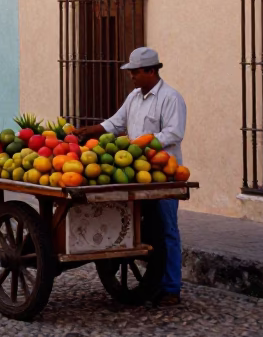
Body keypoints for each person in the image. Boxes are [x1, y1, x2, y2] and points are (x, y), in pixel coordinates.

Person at [73, 46, 187, 307]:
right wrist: (88, 130)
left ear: (150, 70)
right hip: (135, 175)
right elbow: (114, 123)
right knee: (145, 227)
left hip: (163, 175)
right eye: (131, 72)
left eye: (135, 72)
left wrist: (138, 143)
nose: (131, 76)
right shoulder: (134, 98)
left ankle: (171, 287)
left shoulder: (171, 98)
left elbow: (174, 133)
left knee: (168, 230)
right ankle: (152, 282)